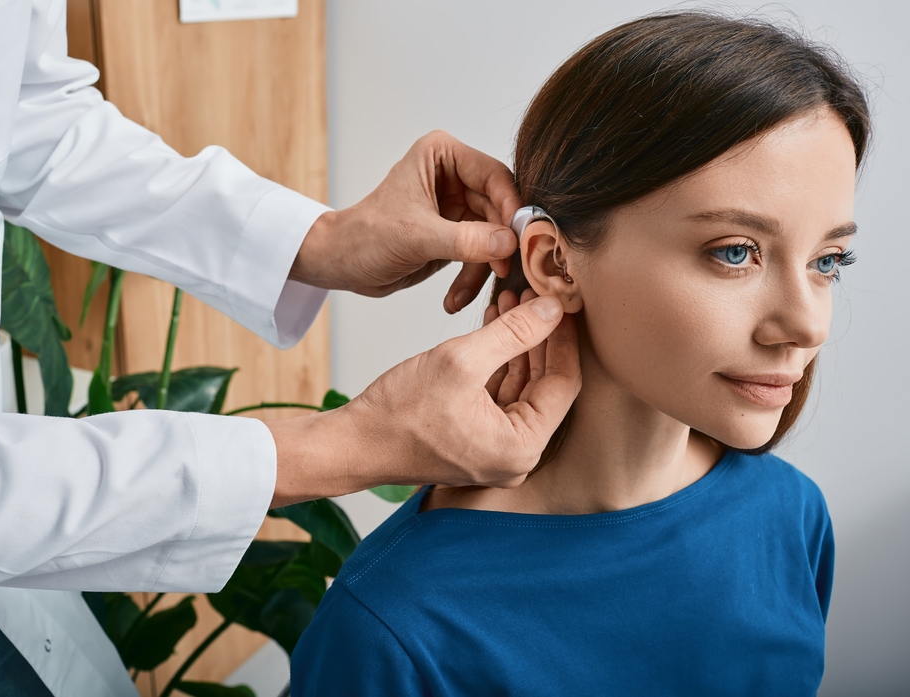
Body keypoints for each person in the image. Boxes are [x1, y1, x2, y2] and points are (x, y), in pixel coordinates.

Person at [0, 0, 582, 695]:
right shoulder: (393, 626)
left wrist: (323, 240)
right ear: (548, 260)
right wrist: (341, 445)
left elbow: (28, 114)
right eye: (710, 251)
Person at [291, 11, 869, 696]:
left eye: (828, 260)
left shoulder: (791, 517)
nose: (807, 324)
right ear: (555, 262)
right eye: (734, 252)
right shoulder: (395, 628)